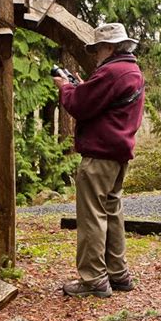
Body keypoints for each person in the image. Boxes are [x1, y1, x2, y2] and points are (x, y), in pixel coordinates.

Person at [52, 22, 145, 298]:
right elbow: (102, 103)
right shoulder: (131, 70)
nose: (95, 55)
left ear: (109, 47)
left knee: (92, 215)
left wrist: (66, 87)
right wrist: (82, 87)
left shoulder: (112, 72)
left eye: (97, 49)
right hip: (117, 155)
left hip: (100, 156)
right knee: (112, 211)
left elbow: (79, 106)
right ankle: (118, 274)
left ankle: (94, 279)